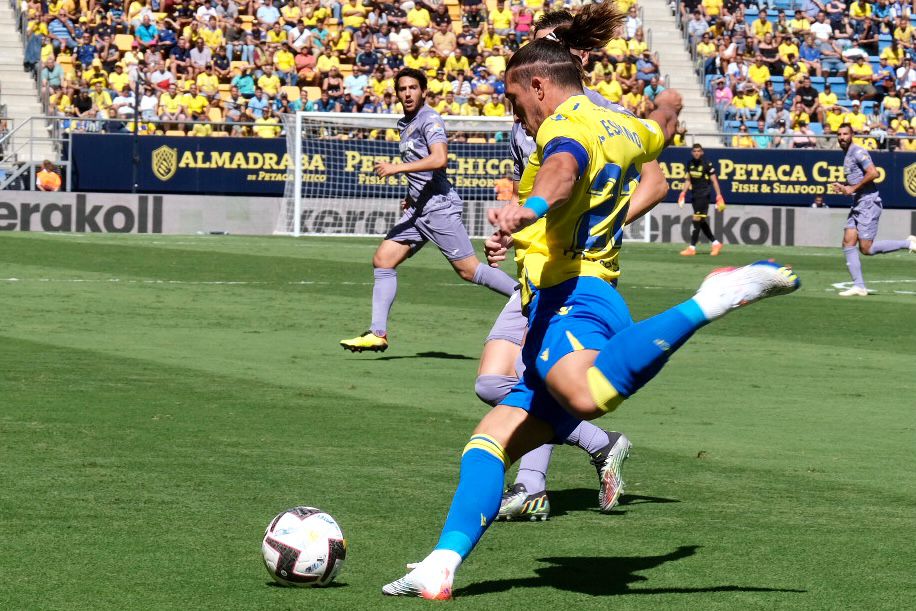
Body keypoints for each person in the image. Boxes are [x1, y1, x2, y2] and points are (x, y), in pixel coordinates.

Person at [382, 30, 800, 601]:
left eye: (514, 101)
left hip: (574, 297)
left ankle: (713, 297)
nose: (518, 115)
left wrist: (526, 207)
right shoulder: (626, 125)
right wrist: (670, 105)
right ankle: (441, 564)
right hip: (559, 296)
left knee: (585, 395)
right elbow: (660, 132)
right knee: (488, 442)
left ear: (539, 85)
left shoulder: (563, 126)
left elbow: (561, 170)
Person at [476, 4, 682, 521]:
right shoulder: (528, 107)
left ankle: (540, 479)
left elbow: (655, 184)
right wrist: (516, 231)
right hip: (536, 267)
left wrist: (596, 227)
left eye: (545, 43)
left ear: (568, 59)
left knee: (526, 381)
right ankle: (582, 453)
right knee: (497, 382)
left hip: (571, 276)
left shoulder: (598, 112)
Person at [339, 68, 519, 353]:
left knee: (469, 271)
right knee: (383, 261)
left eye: (413, 88)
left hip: (438, 208)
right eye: (402, 89)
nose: (407, 93)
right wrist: (412, 196)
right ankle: (377, 333)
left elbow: (439, 158)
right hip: (418, 208)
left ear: (424, 91)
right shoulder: (405, 123)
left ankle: (527, 300)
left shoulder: (430, 119)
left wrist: (397, 168)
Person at [830, 124, 916, 297]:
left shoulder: (857, 152)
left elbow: (873, 173)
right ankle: (859, 286)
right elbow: (859, 179)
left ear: (852, 135)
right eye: (839, 134)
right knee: (848, 241)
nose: (842, 137)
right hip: (858, 203)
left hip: (868, 203)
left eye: (845, 134)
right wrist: (845, 187)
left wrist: (852, 188)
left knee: (866, 249)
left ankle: (908, 243)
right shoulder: (847, 154)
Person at [678, 143, 725, 256]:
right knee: (701, 222)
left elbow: (714, 181)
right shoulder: (690, 163)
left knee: (696, 220)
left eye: (698, 151)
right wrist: (683, 193)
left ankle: (692, 247)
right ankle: (716, 243)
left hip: (704, 195)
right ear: (692, 152)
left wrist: (719, 196)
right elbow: (688, 179)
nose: (696, 153)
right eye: (694, 151)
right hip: (694, 195)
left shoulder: (707, 164)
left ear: (702, 152)